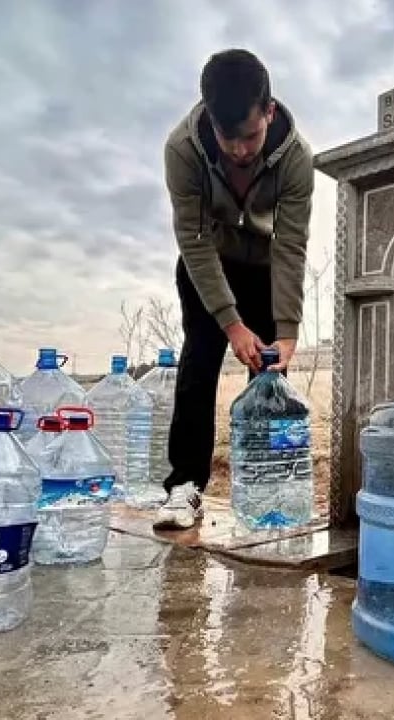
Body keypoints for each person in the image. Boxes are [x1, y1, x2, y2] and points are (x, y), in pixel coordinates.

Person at [154, 49, 315, 530]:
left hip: (266, 267)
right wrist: (231, 322)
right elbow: (195, 242)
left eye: (249, 136)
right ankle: (184, 487)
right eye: (228, 139)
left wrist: (286, 330)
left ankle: (264, 490)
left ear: (269, 111)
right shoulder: (182, 150)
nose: (240, 150)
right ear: (208, 117)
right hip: (209, 264)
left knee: (268, 377)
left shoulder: (298, 159)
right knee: (200, 361)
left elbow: (291, 245)